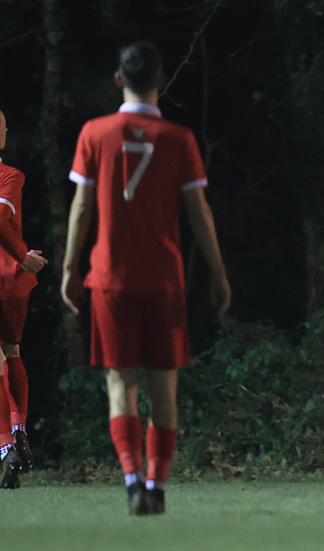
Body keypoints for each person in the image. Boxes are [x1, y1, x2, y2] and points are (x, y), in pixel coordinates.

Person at [61, 42, 231, 514]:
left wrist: (70, 266)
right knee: (163, 387)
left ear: (119, 79)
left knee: (121, 383)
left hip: (110, 279)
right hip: (164, 280)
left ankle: (133, 480)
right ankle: (156, 486)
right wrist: (218, 273)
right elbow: (199, 212)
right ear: (161, 79)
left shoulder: (95, 133)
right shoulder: (178, 139)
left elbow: (81, 206)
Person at [0, 109, 48, 489]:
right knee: (10, 352)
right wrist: (23, 257)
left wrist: (20, 255)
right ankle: (18, 429)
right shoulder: (10, 176)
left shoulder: (10, 176)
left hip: (9, 272)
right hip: (12, 280)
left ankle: (5, 447)